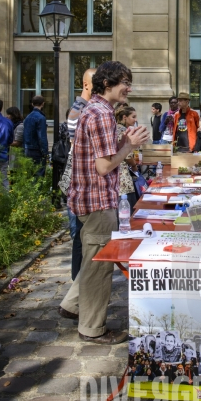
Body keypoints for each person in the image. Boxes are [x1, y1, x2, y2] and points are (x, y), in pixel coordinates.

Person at [58, 60, 149, 344]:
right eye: (124, 82)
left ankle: (72, 305)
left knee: (93, 258)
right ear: (107, 84)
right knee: (99, 267)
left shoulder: (99, 110)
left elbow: (104, 157)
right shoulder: (100, 114)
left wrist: (125, 141)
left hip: (94, 199)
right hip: (97, 202)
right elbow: (104, 166)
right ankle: (92, 328)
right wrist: (130, 146)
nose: (129, 88)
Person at [65, 68, 96, 281]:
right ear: (86, 85)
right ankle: (78, 284)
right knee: (79, 235)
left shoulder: (86, 108)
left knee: (83, 235)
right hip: (78, 181)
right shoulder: (80, 110)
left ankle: (81, 282)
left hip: (82, 181)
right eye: (98, 85)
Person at [116, 105, 139, 214]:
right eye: (133, 117)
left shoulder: (114, 128)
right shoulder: (124, 131)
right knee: (128, 213)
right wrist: (135, 167)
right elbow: (128, 156)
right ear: (124, 117)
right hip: (123, 177)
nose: (136, 120)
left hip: (113, 174)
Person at [23, 95, 48, 177]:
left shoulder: (27, 117)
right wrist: (45, 152)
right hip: (37, 150)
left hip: (28, 148)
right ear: (43, 104)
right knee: (38, 176)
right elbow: (42, 137)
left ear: (32, 104)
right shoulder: (41, 118)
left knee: (30, 175)